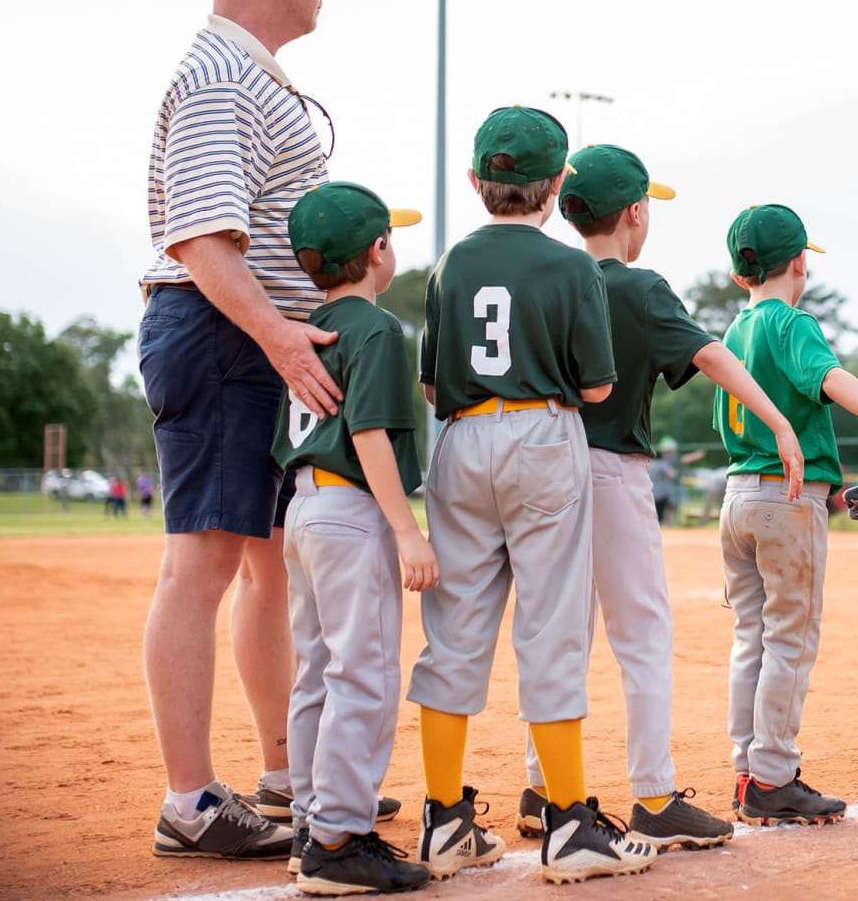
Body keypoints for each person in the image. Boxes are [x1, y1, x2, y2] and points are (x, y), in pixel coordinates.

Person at [141, 0, 355, 861]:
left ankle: (281, 775)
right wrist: (281, 342)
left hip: (247, 339)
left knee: (268, 563)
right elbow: (198, 237)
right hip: (226, 334)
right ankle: (190, 800)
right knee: (204, 566)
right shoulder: (222, 75)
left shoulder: (250, 74)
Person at [514, 145, 803, 850]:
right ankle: (652, 795)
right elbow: (709, 355)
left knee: (560, 632)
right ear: (635, 213)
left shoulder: (546, 276)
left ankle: (543, 788)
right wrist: (777, 420)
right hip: (611, 473)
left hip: (543, 467)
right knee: (642, 636)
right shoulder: (640, 286)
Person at [408, 106, 656, 884]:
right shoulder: (572, 267)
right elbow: (597, 382)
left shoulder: (449, 263)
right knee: (550, 625)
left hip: (460, 435)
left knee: (454, 630)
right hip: (544, 435)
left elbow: (429, 378)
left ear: (478, 180)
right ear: (553, 187)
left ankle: (444, 816)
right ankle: (569, 822)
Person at [715, 203, 858, 826]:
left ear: (739, 274)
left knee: (751, 636)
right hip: (786, 496)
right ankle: (774, 776)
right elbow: (828, 378)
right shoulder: (790, 323)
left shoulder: (734, 331)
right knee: (790, 637)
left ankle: (748, 771)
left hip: (737, 498)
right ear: (800, 262)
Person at [271, 182, 435, 895]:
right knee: (362, 674)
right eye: (388, 237)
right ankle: (338, 837)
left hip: (304, 510)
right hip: (348, 511)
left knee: (317, 671)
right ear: (377, 250)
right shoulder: (373, 329)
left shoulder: (306, 324)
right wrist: (408, 530)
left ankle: (313, 821)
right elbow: (367, 432)